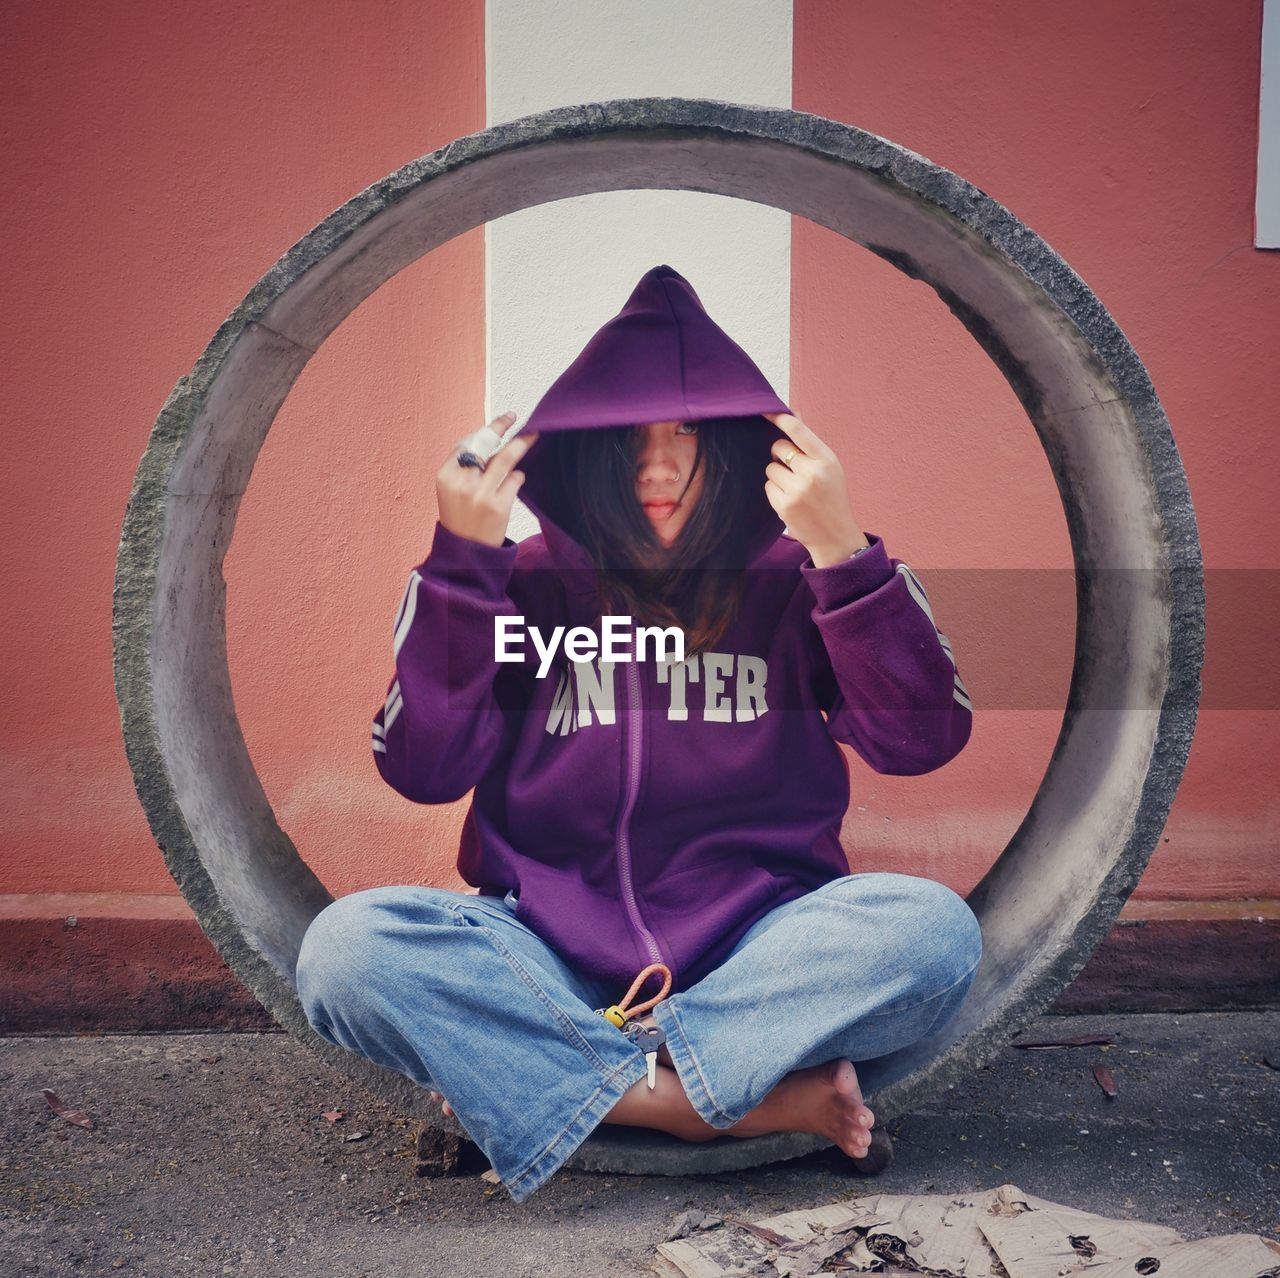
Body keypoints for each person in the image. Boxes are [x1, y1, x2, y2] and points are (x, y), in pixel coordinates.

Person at [295, 264, 982, 1205]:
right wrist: (462, 563)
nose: (658, 469)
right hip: (545, 956)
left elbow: (922, 738)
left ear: (746, 448)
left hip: (758, 955)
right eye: (629, 439)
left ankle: (552, 1082)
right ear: (583, 454)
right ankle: (713, 1104)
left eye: (689, 433)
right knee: (347, 950)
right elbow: (423, 767)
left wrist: (842, 550)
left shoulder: (794, 580)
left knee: (933, 934)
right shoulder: (523, 586)